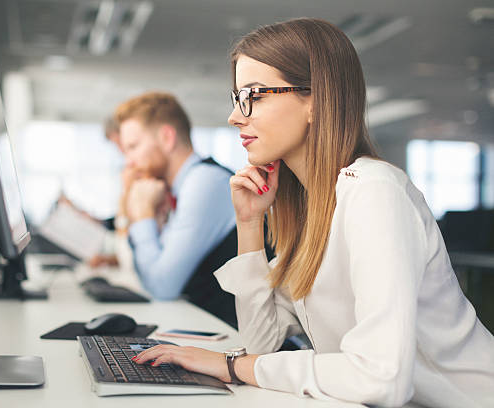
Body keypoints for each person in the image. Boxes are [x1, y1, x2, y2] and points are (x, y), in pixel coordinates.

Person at [132, 18, 494, 408]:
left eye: (254, 95)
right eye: (237, 98)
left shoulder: (374, 192)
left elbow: (380, 378)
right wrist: (249, 223)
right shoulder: (309, 204)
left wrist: (231, 365)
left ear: (316, 101)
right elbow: (261, 344)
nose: (235, 117)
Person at [115, 91, 238, 324]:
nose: (129, 161)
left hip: (243, 344)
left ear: (167, 138)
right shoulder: (174, 190)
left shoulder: (204, 182)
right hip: (212, 329)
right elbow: (148, 279)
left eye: (133, 146)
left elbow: (162, 286)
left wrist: (142, 214)